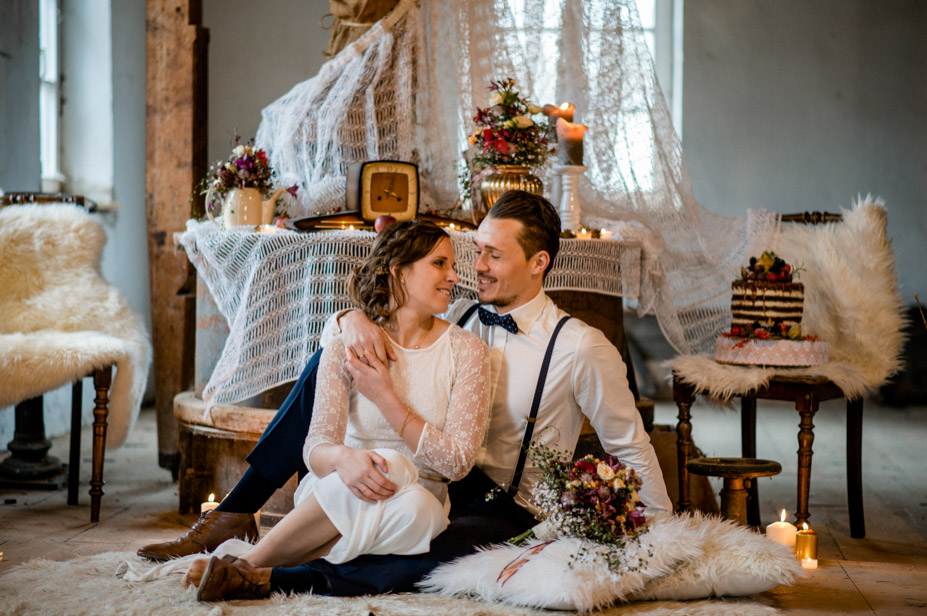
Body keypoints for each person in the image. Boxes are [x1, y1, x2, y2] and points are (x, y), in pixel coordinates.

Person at [139, 190, 672, 598]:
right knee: (325, 368)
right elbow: (383, 308)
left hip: (505, 504)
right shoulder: (460, 314)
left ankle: (276, 578)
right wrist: (349, 321)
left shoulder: (582, 347)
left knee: (433, 560)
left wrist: (666, 537)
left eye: (494, 255)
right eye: (476, 251)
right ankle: (237, 511)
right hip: (430, 469)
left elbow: (629, 445)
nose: (476, 267)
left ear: (539, 264)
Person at [172, 220, 491, 601]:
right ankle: (259, 569)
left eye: (452, 265)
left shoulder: (468, 351)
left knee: (415, 497)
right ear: (399, 270)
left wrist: (386, 398)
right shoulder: (346, 346)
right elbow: (315, 449)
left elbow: (456, 464)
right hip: (337, 489)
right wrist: (344, 459)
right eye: (440, 264)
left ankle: (250, 564)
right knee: (384, 464)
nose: (454, 276)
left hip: (415, 509)